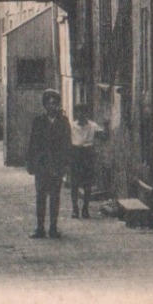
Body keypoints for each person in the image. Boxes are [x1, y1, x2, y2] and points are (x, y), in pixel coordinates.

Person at [26, 89, 72, 239]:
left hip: (57, 165)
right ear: (45, 105)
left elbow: (67, 144)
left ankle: (53, 228)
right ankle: (40, 228)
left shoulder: (63, 122)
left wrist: (66, 164)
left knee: (55, 197)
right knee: (40, 197)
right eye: (50, 103)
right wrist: (31, 163)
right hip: (42, 165)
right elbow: (33, 143)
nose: (53, 106)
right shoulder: (38, 121)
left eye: (56, 103)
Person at [70, 104, 103, 219]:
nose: (81, 115)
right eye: (78, 112)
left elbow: (103, 134)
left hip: (87, 154)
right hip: (75, 154)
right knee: (74, 184)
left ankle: (85, 209)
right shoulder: (72, 126)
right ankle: (75, 209)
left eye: (83, 112)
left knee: (87, 184)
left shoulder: (92, 126)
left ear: (86, 114)